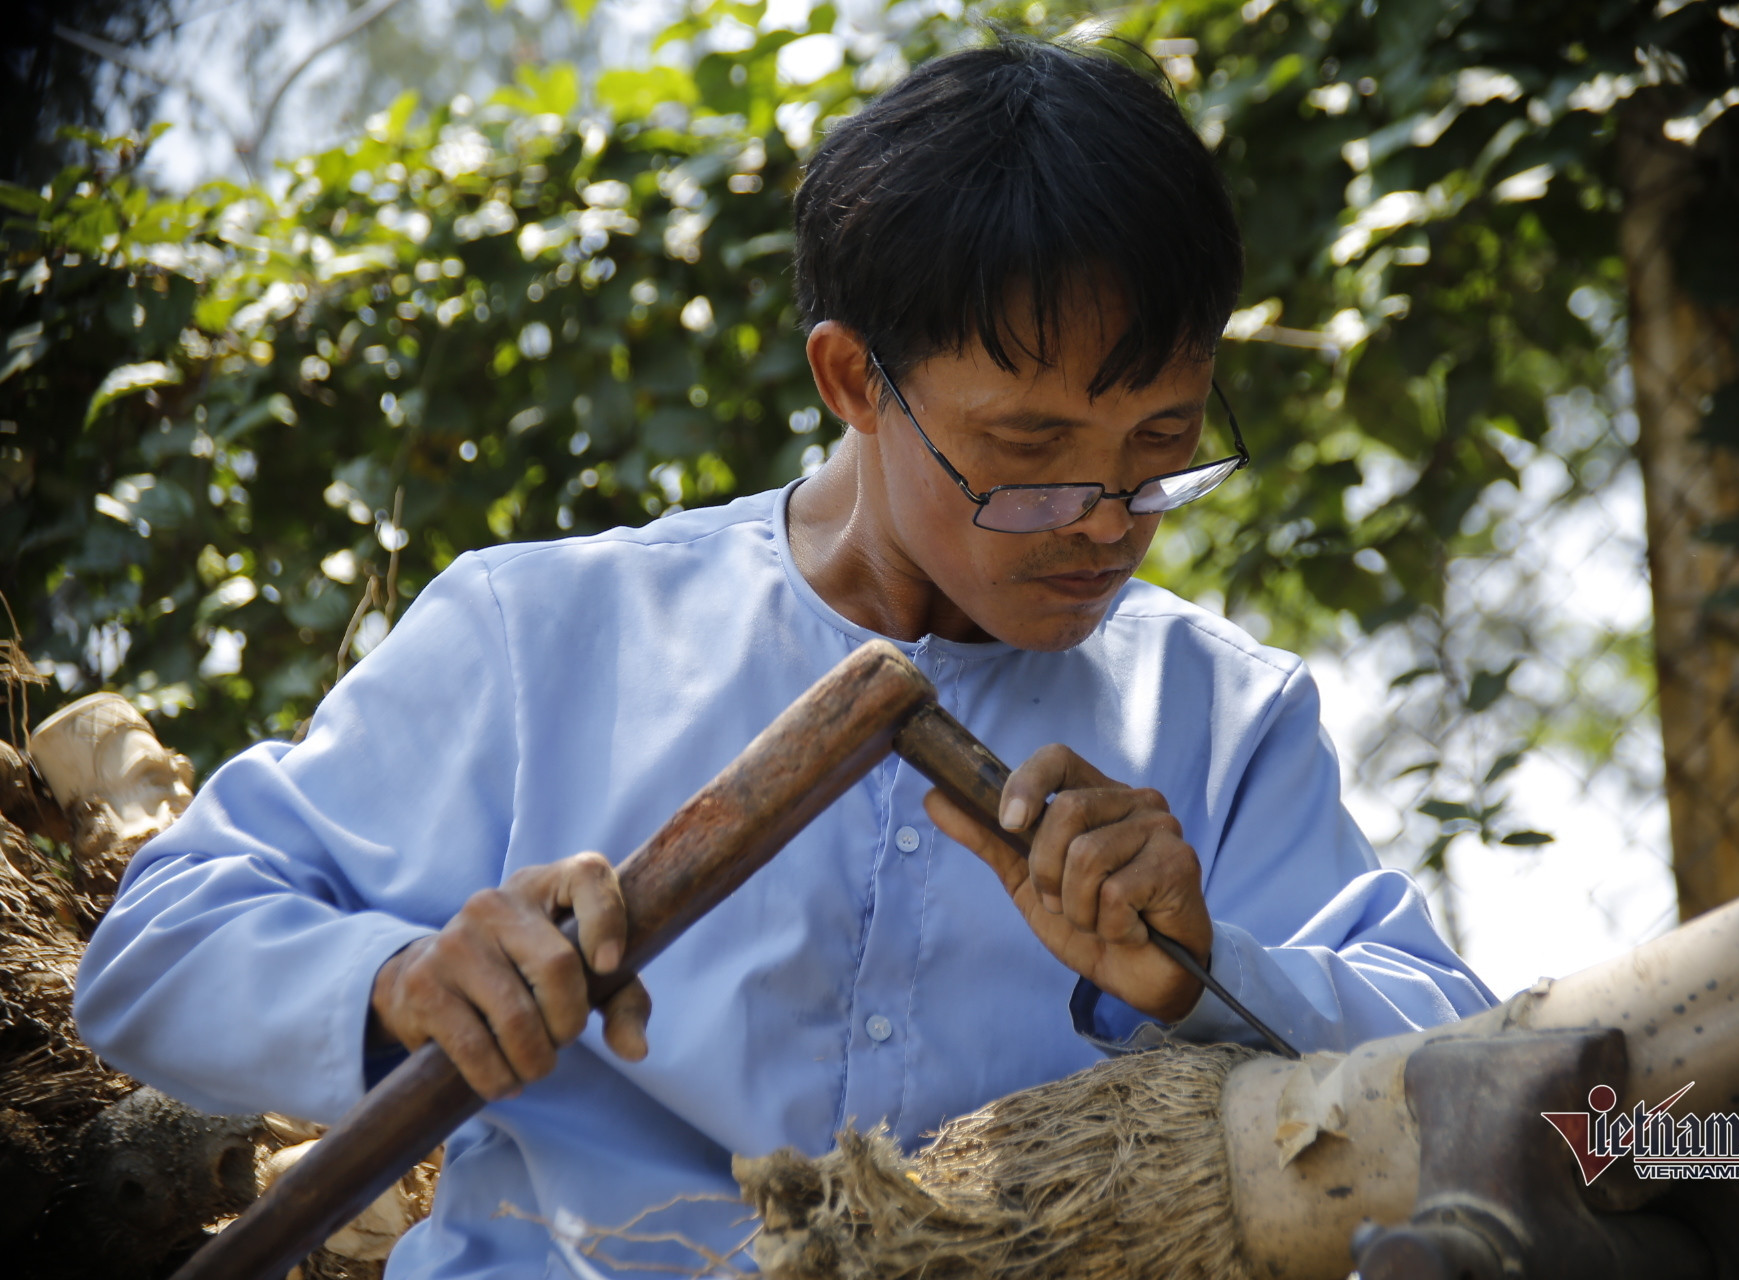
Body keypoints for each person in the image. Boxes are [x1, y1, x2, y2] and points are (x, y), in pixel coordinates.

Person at [74, 36, 1495, 1277]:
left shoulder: (1224, 719)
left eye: (1164, 446)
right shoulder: (547, 633)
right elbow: (154, 951)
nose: (1108, 520)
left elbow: (1472, 1061)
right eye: (1031, 451)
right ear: (853, 378)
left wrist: (1197, 970)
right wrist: (404, 983)